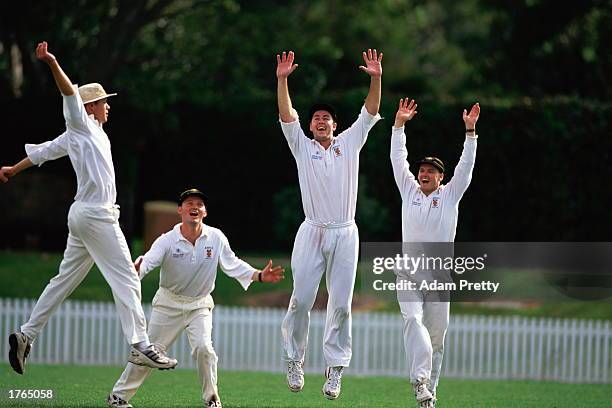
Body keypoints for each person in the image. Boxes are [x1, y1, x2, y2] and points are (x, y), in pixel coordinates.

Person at [1, 41, 177, 375]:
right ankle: (141, 345)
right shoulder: (79, 122)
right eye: (104, 103)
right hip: (97, 214)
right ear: (91, 106)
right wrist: (52, 62)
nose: (109, 107)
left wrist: (12, 168)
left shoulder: (87, 133)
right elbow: (69, 94)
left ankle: (26, 334)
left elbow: (41, 154)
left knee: (62, 281)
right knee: (127, 277)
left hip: (82, 216)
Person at [107, 188, 285, 408]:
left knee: (204, 349)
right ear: (180, 210)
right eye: (189, 203)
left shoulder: (216, 237)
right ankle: (118, 397)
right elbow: (148, 261)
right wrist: (136, 270)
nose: (194, 207)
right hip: (168, 303)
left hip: (199, 304)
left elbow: (233, 263)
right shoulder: (167, 240)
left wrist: (258, 275)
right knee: (147, 354)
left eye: (199, 204)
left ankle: (211, 399)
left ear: (205, 212)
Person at [276, 49, 382, 399]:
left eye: (327, 118)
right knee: (302, 300)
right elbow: (286, 115)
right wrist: (282, 80)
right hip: (311, 231)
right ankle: (295, 359)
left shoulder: (351, 142)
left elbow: (369, 111)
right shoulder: (302, 147)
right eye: (316, 118)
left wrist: (376, 78)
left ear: (335, 125)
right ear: (310, 126)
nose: (321, 121)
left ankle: (335, 370)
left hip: (345, 233)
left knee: (340, 303)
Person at [390, 97, 480, 407]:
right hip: (409, 271)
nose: (425, 173)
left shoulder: (451, 195)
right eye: (423, 169)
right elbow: (397, 158)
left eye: (432, 171)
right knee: (413, 321)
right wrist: (399, 125)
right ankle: (419, 382)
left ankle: (431, 393)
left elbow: (466, 168)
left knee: (437, 337)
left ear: (441, 177)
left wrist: (470, 133)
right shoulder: (409, 190)